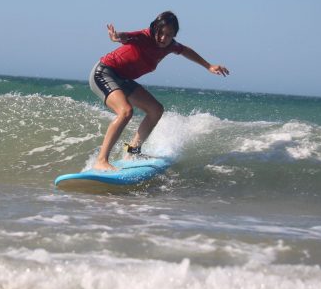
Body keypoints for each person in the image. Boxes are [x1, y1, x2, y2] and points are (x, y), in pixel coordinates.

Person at [89, 11, 229, 171]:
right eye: (160, 33)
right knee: (126, 111)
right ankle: (101, 160)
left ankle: (132, 152)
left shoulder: (170, 46)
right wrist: (117, 36)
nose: (163, 38)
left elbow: (185, 51)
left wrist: (208, 66)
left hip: (123, 79)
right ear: (154, 29)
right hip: (104, 72)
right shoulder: (144, 37)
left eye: (168, 35)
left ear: (174, 35)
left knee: (156, 110)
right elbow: (126, 36)